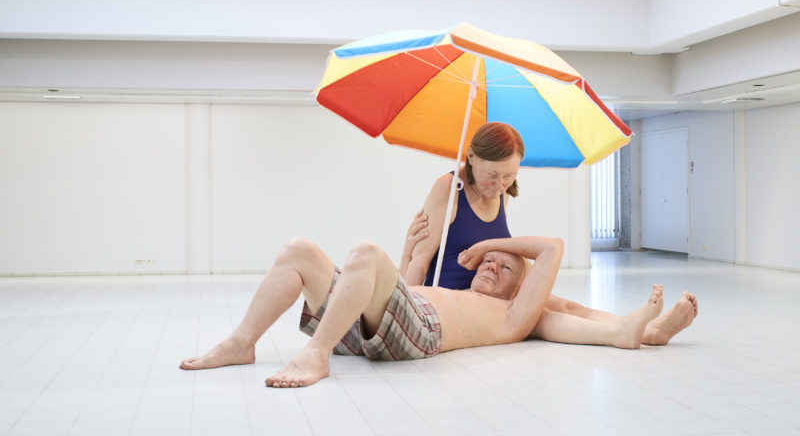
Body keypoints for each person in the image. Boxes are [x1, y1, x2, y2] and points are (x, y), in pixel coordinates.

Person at [179, 235, 672, 388]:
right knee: (299, 251)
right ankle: (242, 342)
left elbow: (552, 248)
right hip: (379, 324)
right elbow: (390, 296)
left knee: (366, 253)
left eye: (503, 268)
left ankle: (315, 354)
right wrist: (416, 257)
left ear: (517, 292)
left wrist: (486, 244)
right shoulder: (458, 291)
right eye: (488, 263)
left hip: (419, 335)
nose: (492, 267)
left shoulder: (514, 317)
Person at [400, 121, 699, 346]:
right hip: (461, 298)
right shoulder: (449, 189)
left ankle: (647, 330)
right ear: (471, 157)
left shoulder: (503, 195)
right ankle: (629, 333)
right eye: (492, 175)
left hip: (498, 286)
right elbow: (419, 259)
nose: (500, 184)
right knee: (541, 318)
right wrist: (408, 312)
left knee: (567, 305)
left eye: (510, 176)